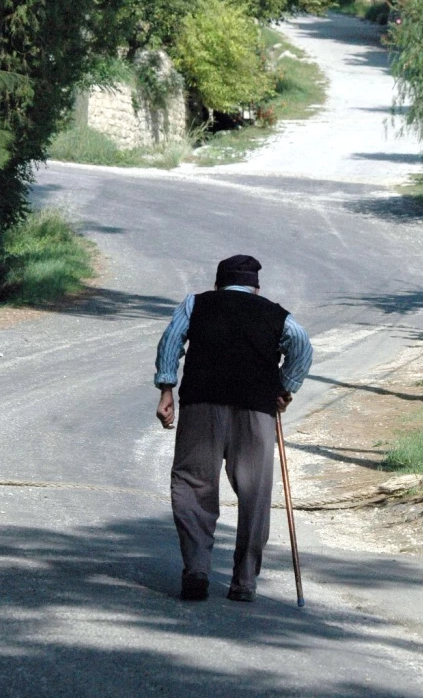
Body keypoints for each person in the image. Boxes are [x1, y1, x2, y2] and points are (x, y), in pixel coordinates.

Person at [155, 254, 313, 603]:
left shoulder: (196, 304)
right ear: (256, 288)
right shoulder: (277, 314)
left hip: (201, 405)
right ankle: (244, 582)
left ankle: (197, 569)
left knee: (193, 484)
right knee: (255, 494)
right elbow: (302, 347)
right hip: (255, 411)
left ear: (218, 284)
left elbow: (170, 342)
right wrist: (284, 387)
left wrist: (167, 387)